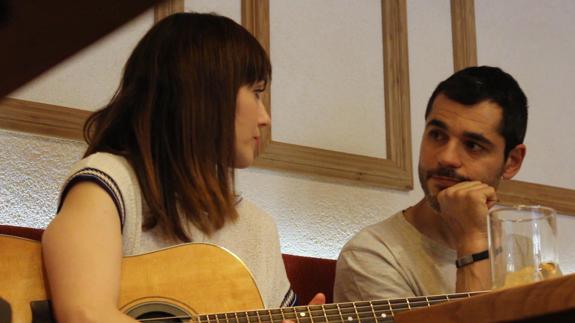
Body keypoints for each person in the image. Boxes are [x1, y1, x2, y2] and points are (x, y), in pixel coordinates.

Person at [42, 12, 323, 323]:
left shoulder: (258, 229)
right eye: (256, 94)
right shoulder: (109, 184)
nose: (265, 118)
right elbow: (84, 313)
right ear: (206, 95)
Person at [334, 66, 528, 302]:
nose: (447, 157)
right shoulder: (372, 255)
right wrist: (472, 239)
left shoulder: (525, 251)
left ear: (512, 161)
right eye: (437, 135)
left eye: (473, 145)